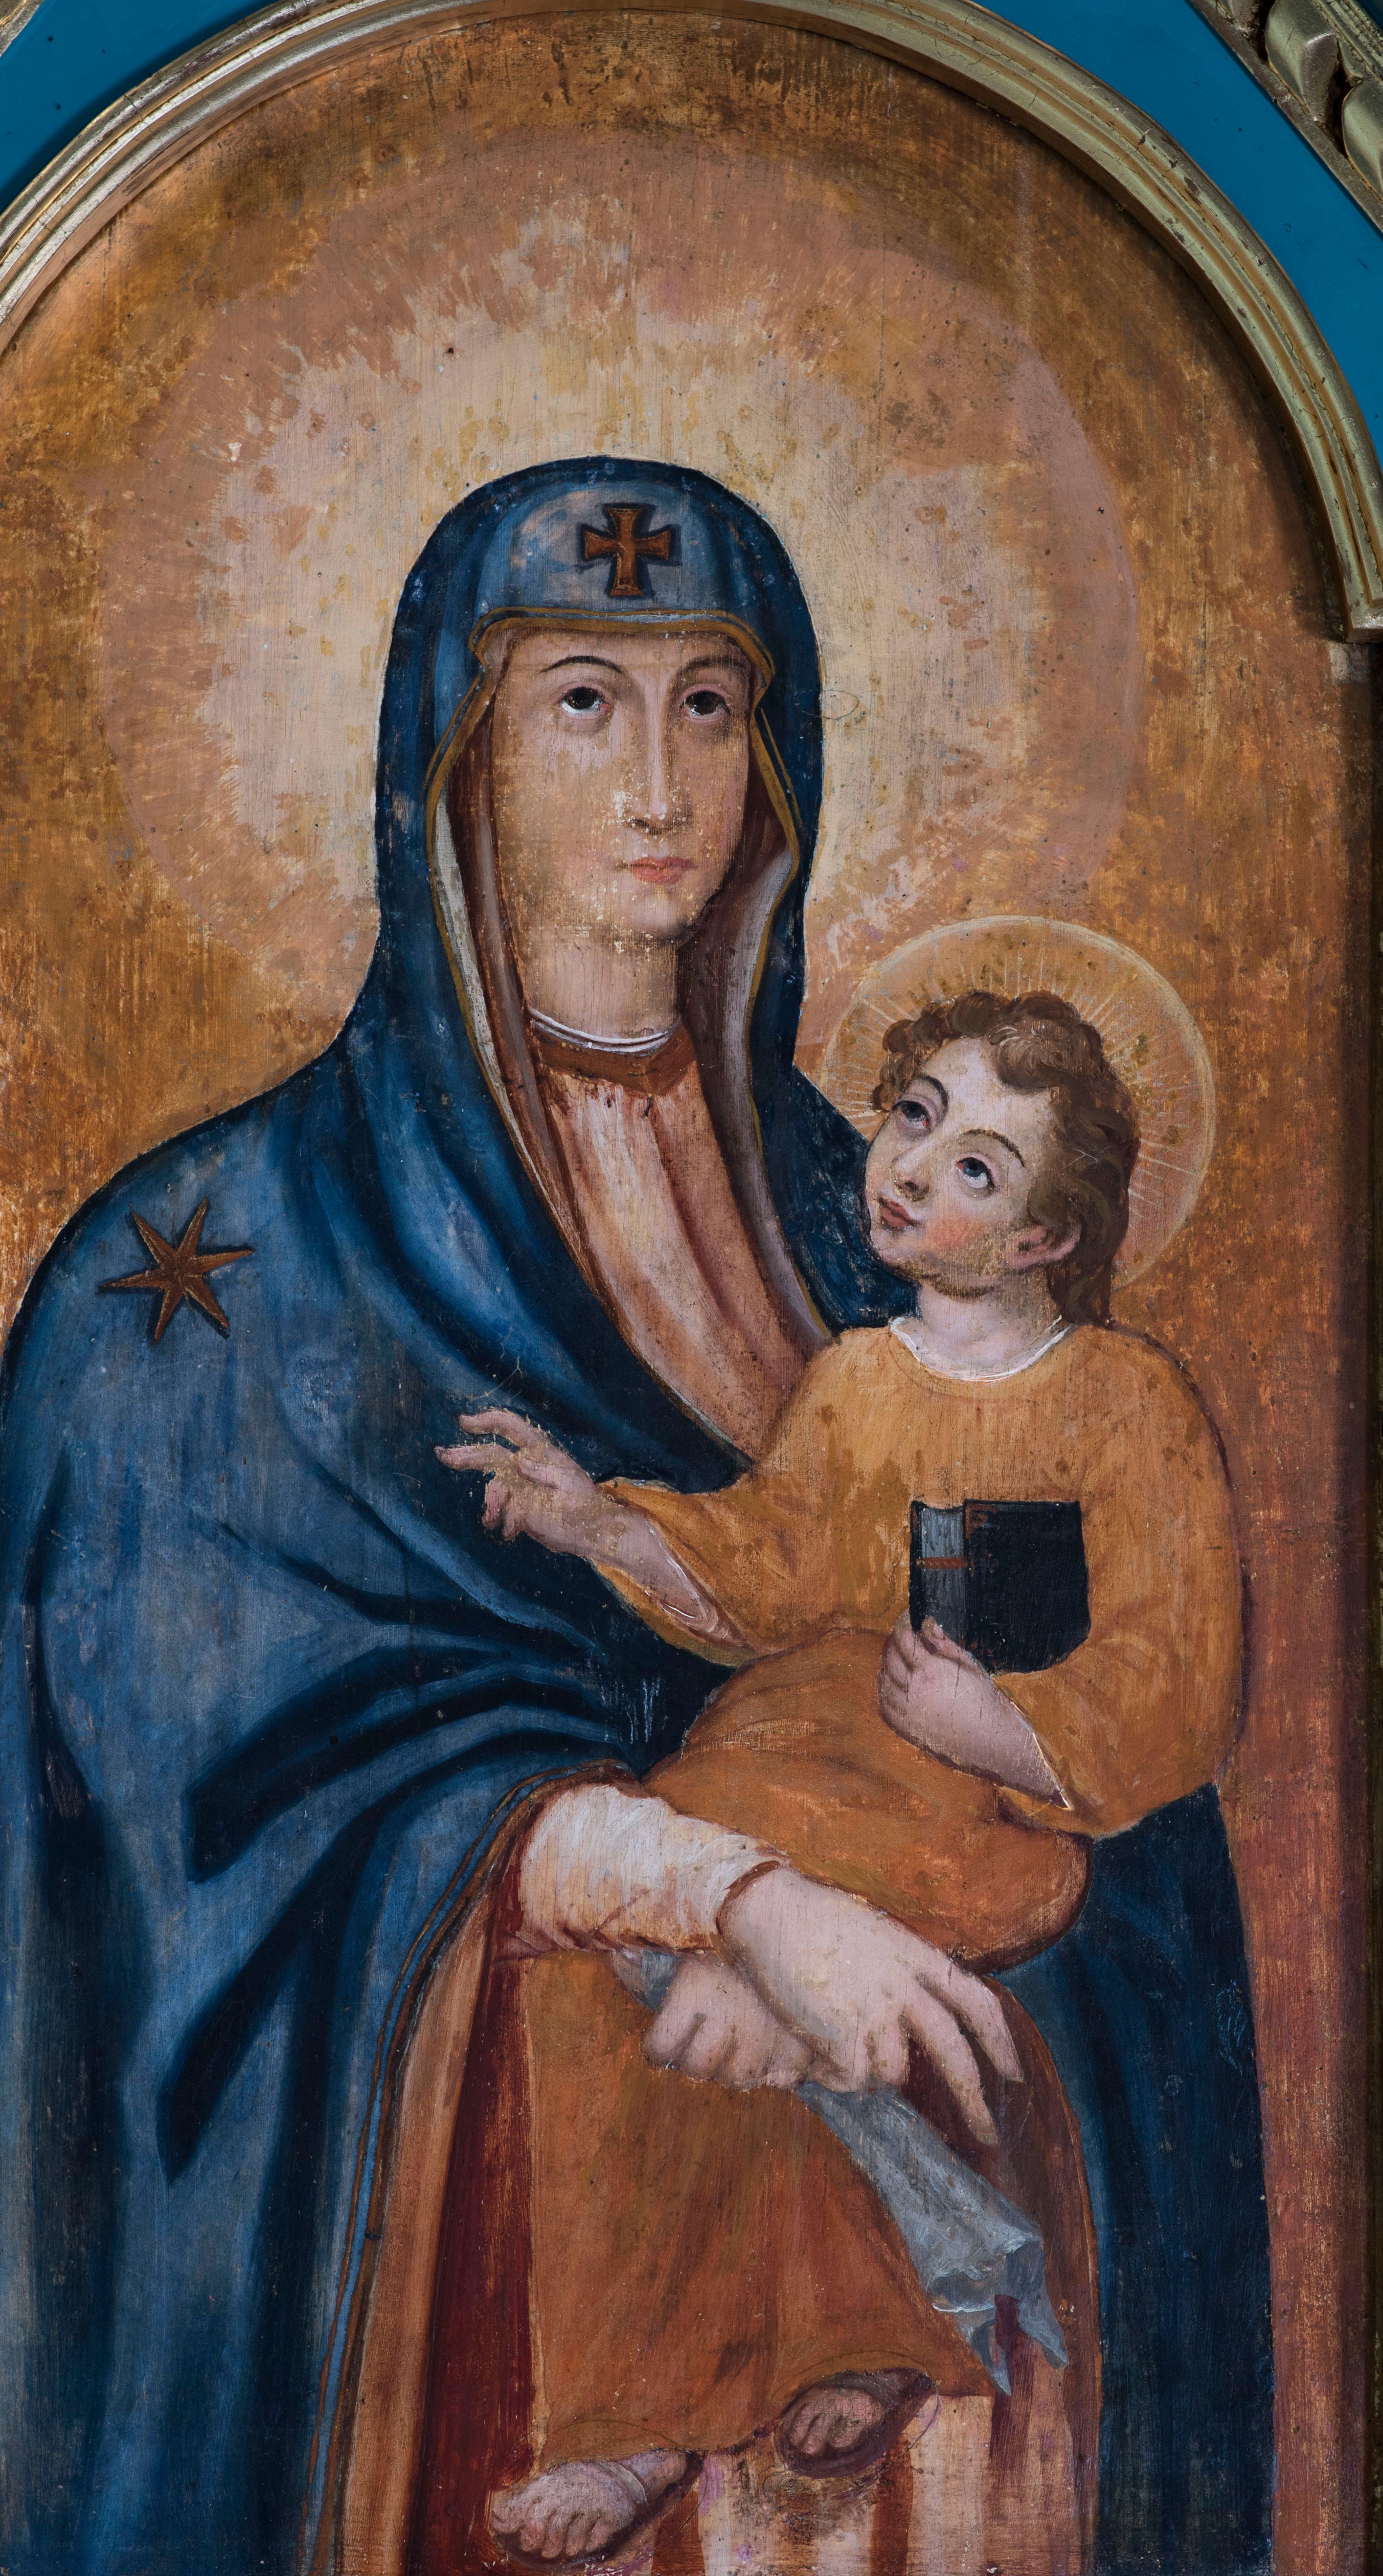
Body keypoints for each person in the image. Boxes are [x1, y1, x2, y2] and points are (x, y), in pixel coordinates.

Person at [0, 461, 1269, 2576]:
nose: (659, 782)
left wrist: (942, 1868)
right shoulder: (214, 1266)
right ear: (453, 755)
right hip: (496, 2282)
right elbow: (227, 1816)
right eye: (581, 701)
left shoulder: (883, 1226)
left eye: (710, 706)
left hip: (948, 2308)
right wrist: (731, 1897)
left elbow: (1126, 1754)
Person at [440, 988, 1243, 2567]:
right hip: (780, 1757)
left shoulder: (1129, 1405)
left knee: (740, 1944)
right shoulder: (859, 1381)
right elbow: (769, 1568)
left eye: (978, 1168)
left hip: (972, 1809)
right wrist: (599, 1521)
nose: (915, 1169)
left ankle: (843, 2340)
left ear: (1042, 1239)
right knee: (629, 1930)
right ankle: (654, 2401)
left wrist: (993, 1729)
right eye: (915, 1119)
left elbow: (1177, 1673)